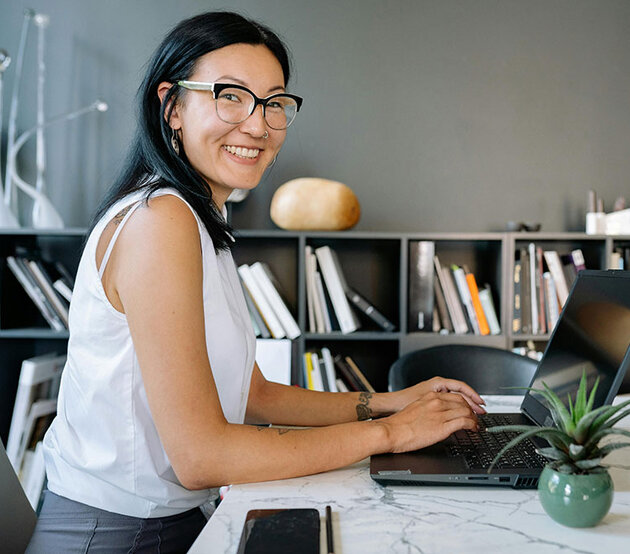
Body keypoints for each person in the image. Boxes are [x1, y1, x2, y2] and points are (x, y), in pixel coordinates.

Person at [26, 11, 485, 553]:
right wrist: (394, 434)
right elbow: (202, 457)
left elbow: (254, 395)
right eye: (230, 95)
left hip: (165, 521)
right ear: (172, 106)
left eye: (273, 102)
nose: (258, 124)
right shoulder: (160, 221)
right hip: (117, 535)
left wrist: (390, 402)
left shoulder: (195, 219)